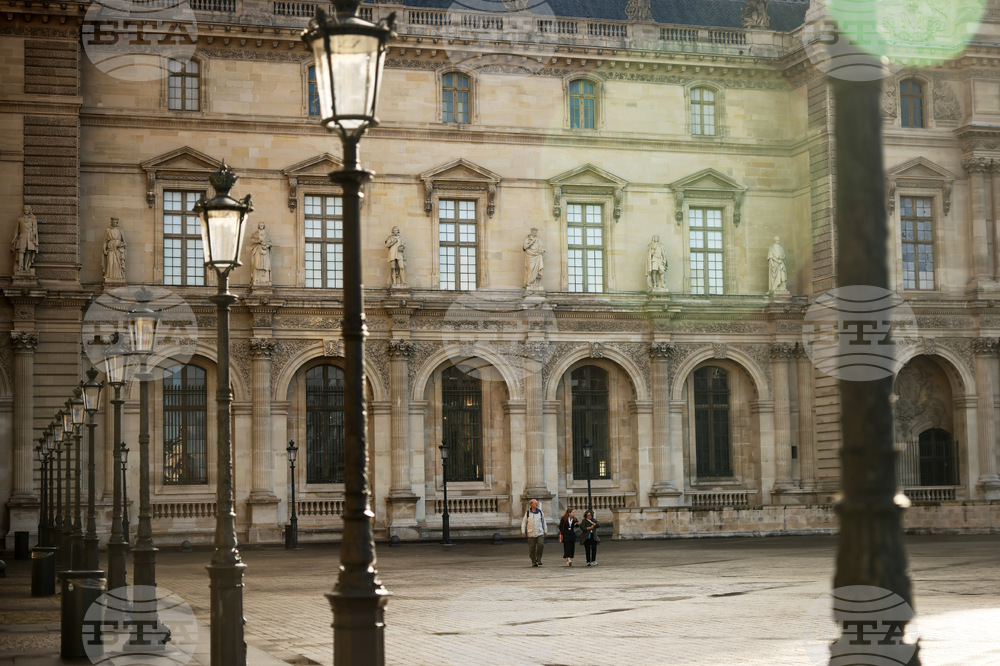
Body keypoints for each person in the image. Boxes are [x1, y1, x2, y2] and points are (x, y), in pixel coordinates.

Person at [520, 499, 548, 566]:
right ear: (531, 504)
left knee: (541, 544)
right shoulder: (527, 513)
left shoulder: (540, 512)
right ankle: (533, 561)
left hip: (540, 532)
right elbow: (523, 523)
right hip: (531, 533)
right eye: (535, 503)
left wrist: (545, 530)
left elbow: (544, 522)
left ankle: (539, 559)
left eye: (537, 503)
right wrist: (523, 531)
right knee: (532, 548)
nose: (536, 504)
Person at [12, 204, 39, 273]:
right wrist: (15, 237)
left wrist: (32, 235)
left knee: (28, 251)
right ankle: (20, 266)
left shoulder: (33, 218)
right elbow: (16, 230)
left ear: (30, 210)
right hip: (22, 236)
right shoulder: (19, 219)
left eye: (27, 210)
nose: (26, 211)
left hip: (30, 236)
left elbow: (35, 229)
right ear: (23, 210)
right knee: (21, 251)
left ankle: (26, 266)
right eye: (25, 210)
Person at [103, 217, 126, 282]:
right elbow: (105, 241)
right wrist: (104, 249)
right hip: (111, 249)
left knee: (116, 263)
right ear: (111, 222)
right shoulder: (108, 230)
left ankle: (119, 276)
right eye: (114, 222)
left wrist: (121, 245)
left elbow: (124, 242)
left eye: (116, 222)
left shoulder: (120, 230)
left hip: (118, 250)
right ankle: (109, 276)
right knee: (110, 262)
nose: (115, 223)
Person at [250, 222, 272, 286]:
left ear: (264, 226)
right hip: (257, 250)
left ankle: (265, 279)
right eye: (260, 225)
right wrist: (258, 241)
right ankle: (256, 278)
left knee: (265, 264)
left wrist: (266, 246)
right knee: (256, 263)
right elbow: (252, 241)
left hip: (265, 251)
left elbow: (270, 243)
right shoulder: (255, 234)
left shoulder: (267, 234)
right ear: (258, 226)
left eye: (262, 225)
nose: (261, 226)